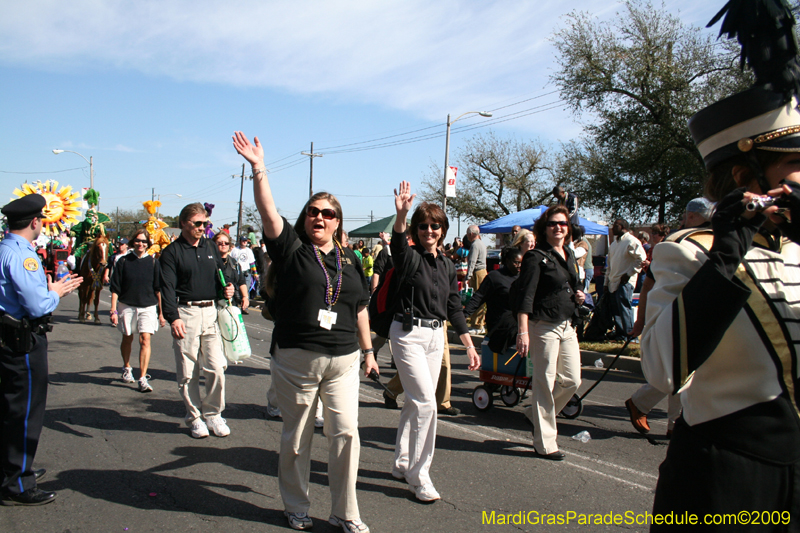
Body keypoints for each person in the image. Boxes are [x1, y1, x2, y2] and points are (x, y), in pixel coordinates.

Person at [641, 1, 800, 523]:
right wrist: (726, 255)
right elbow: (663, 369)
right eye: (794, 166)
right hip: (725, 479)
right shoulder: (688, 254)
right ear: (744, 177)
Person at [233, 131, 377, 533]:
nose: (320, 217)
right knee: (297, 438)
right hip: (297, 357)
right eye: (314, 211)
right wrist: (259, 169)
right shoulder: (292, 248)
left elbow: (359, 307)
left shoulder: (350, 260)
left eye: (328, 214)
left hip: (344, 359)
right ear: (305, 216)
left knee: (346, 433)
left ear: (338, 223)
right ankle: (296, 505)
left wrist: (368, 353)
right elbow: (268, 213)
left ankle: (345, 511)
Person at [388, 181, 480, 502]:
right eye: (423, 225)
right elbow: (398, 244)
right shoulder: (409, 257)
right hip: (407, 334)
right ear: (416, 229)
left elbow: (453, 306)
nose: (429, 230)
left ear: (442, 229)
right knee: (427, 401)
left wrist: (468, 344)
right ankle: (419, 473)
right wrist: (401, 214)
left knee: (416, 401)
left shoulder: (447, 264)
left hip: (436, 335)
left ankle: (402, 462)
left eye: (435, 225)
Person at [0, 194, 82, 505]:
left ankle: (12, 469)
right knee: (25, 412)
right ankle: (18, 481)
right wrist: (56, 292)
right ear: (35, 222)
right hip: (23, 341)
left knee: (10, 409)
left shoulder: (5, 248)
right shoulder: (23, 256)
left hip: (8, 338)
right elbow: (35, 306)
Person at [625, 200, 710, 437]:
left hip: (702, 315)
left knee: (684, 372)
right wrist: (641, 320)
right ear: (691, 217)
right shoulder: (675, 244)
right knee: (679, 370)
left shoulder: (713, 241)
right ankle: (673, 422)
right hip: (674, 317)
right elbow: (648, 286)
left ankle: (649, 408)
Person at [159, 203, 235, 439]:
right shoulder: (172, 253)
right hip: (186, 314)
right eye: (198, 224)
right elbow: (167, 288)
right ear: (183, 223)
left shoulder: (210, 246)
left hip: (211, 312)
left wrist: (227, 289)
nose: (203, 228)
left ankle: (213, 413)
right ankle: (194, 417)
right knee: (188, 371)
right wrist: (173, 318)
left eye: (205, 224)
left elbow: (219, 276)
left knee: (216, 367)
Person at [514, 205, 584, 461]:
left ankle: (534, 415)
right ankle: (544, 442)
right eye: (553, 223)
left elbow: (575, 283)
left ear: (568, 228)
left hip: (567, 324)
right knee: (545, 382)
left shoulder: (569, 253)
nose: (558, 227)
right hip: (543, 325)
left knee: (572, 380)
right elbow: (526, 296)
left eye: (563, 224)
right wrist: (523, 331)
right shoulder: (536, 256)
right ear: (544, 228)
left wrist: (580, 294)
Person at [109, 229, 167, 393]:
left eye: (144, 242)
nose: (141, 244)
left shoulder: (154, 262)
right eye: (138, 241)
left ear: (148, 244)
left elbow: (158, 290)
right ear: (132, 242)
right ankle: (127, 367)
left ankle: (142, 377)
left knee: (145, 339)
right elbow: (115, 288)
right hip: (127, 305)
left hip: (148, 306)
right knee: (127, 338)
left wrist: (161, 313)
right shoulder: (123, 261)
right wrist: (113, 310)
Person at [463, 247, 522, 346]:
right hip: (500, 325)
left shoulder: (523, 278)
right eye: (516, 262)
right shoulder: (494, 277)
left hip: (519, 325)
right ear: (507, 261)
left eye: (521, 263)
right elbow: (478, 298)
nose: (519, 266)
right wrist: (463, 315)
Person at [604, 219, 646, 340]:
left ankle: (630, 336)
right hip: (613, 280)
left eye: (615, 225)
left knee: (624, 309)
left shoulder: (631, 241)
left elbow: (641, 260)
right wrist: (606, 283)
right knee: (616, 310)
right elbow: (610, 266)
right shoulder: (614, 244)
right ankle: (620, 333)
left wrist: (629, 274)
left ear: (622, 227)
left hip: (625, 282)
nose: (612, 228)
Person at [213, 232, 248, 315]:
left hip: (231, 304)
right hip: (214, 305)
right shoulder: (210, 261)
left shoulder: (234, 263)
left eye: (226, 243)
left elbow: (241, 282)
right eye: (220, 243)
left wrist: (245, 297)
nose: (223, 244)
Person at [465, 224, 488, 334]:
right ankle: (478, 323)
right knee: (479, 298)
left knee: (476, 298)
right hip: (482, 272)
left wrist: (468, 276)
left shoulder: (475, 245)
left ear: (471, 234)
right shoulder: (482, 243)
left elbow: (472, 262)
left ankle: (477, 325)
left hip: (477, 273)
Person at [231, 236, 256, 303]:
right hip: (237, 272)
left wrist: (255, 273)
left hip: (246, 273)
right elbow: (230, 261)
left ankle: (245, 307)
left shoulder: (249, 251)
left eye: (246, 241)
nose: (245, 242)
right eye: (243, 240)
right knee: (237, 290)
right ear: (240, 241)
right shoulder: (235, 250)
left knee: (246, 290)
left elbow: (252, 263)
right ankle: (236, 303)